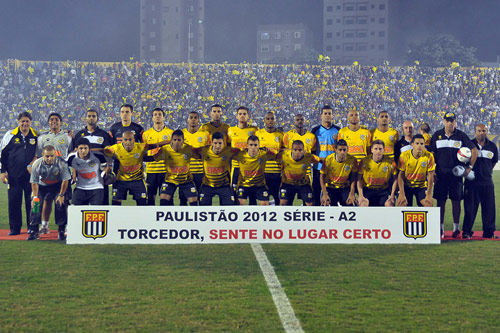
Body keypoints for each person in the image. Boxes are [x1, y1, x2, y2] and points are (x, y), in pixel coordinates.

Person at [430, 112, 478, 238]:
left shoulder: (461, 135)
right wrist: (432, 170)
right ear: (444, 121)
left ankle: (456, 229)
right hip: (440, 175)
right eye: (448, 120)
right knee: (441, 202)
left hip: (456, 175)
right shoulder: (437, 135)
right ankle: (440, 229)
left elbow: (474, 150)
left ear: (455, 122)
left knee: (456, 202)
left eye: (452, 120)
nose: (450, 123)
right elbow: (431, 155)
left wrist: (470, 167)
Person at [1, 112, 38, 235]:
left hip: (31, 177)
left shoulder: (36, 136)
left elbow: (39, 154)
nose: (25, 123)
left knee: (31, 202)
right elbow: (3, 155)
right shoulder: (10, 135)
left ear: (30, 123)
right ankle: (15, 229)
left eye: (27, 121)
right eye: (22, 121)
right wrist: (2, 172)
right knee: (14, 202)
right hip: (13, 176)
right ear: (18, 122)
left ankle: (31, 226)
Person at [37, 112, 73, 235]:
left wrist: (73, 171)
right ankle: (45, 226)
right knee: (47, 200)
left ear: (60, 122)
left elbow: (72, 155)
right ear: (48, 122)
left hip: (62, 175)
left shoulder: (68, 138)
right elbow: (37, 156)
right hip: (47, 176)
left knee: (64, 201)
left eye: (56, 119)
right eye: (51, 119)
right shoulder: (42, 138)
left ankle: (66, 227)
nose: (54, 121)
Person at [28, 145, 72, 241]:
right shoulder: (36, 164)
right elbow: (34, 182)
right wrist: (35, 197)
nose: (49, 158)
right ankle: (34, 231)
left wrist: (61, 195)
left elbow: (65, 181)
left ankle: (61, 231)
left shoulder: (62, 163)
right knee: (35, 205)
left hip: (57, 186)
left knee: (60, 204)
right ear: (43, 155)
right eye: (47, 156)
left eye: (52, 156)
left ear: (55, 154)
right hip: (42, 186)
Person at [462, 124, 498, 239]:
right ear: (475, 131)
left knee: (489, 208)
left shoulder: (492, 146)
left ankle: (489, 233)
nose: (481, 133)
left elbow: (493, 162)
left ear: (487, 131)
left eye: (484, 130)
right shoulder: (468, 145)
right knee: (469, 209)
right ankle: (467, 232)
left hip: (487, 182)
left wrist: (486, 172)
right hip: (472, 182)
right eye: (479, 131)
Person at [104, 131, 159, 206]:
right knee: (115, 203)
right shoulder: (115, 148)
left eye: (130, 139)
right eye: (125, 140)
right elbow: (105, 152)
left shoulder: (141, 147)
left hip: (137, 180)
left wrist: (168, 144)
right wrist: (109, 165)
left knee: (142, 203)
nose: (128, 142)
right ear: (122, 140)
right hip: (121, 180)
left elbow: (154, 146)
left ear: (134, 140)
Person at [71, 109, 113, 204]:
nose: (91, 118)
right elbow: (75, 155)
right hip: (83, 172)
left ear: (97, 119)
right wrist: (74, 173)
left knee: (102, 204)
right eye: (89, 116)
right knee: (81, 204)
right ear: (85, 118)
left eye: (93, 116)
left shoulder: (103, 134)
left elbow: (108, 152)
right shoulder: (79, 135)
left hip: (100, 172)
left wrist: (109, 166)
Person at [155, 130, 198, 206]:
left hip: (186, 180)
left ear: (183, 141)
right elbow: (153, 158)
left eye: (179, 140)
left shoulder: (189, 149)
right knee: (163, 202)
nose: (176, 142)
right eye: (174, 140)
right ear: (171, 140)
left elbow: (201, 156)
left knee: (194, 203)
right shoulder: (165, 149)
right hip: (170, 180)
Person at [198, 132, 240, 206]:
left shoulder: (229, 151)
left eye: (220, 143)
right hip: (208, 185)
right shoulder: (204, 150)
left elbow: (243, 153)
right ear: (211, 143)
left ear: (224, 143)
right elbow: (191, 151)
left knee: (230, 207)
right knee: (203, 208)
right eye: (215, 143)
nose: (217, 146)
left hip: (224, 185)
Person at [227, 106, 259, 201]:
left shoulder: (254, 130)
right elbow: (228, 148)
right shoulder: (231, 130)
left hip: (250, 167)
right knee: (234, 194)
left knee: (252, 195)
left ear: (248, 116)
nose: (242, 116)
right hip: (236, 166)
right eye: (240, 114)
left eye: (244, 114)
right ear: (236, 116)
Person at [142, 108, 173, 205]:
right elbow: (143, 152)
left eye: (160, 114)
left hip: (166, 171)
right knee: (150, 198)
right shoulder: (146, 134)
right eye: (155, 114)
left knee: (167, 198)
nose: (157, 116)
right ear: (152, 118)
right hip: (151, 171)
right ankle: (151, 219)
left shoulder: (170, 133)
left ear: (164, 117)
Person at [312, 105, 340, 206]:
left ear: (333, 115)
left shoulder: (338, 130)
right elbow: (312, 150)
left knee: (332, 196)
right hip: (318, 168)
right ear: (321, 116)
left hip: (333, 168)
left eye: (329, 113)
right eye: (325, 113)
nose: (327, 115)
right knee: (316, 195)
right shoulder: (315, 131)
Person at [67, 138, 110, 205]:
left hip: (97, 188)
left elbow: (106, 167)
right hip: (80, 188)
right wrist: (72, 175)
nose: (83, 151)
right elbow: (64, 167)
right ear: (77, 149)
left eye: (85, 148)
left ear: (89, 148)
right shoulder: (71, 157)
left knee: (96, 212)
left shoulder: (99, 156)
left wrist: (102, 174)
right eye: (81, 148)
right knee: (76, 210)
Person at [396, 134, 435, 207]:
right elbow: (400, 175)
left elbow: (430, 176)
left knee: (428, 204)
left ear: (424, 145)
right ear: (412, 144)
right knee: (402, 203)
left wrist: (429, 195)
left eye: (421, 144)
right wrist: (401, 193)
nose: (419, 146)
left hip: (421, 186)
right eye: (417, 143)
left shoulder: (429, 156)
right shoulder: (404, 156)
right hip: (407, 185)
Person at [279, 140, 321, 206]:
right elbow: (271, 156)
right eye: (295, 150)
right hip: (288, 184)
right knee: (283, 203)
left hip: (303, 184)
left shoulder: (308, 156)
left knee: (310, 204)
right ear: (291, 150)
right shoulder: (284, 155)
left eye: (300, 150)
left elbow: (321, 160)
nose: (297, 152)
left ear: (303, 150)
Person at [357, 140, 397, 207]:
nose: (378, 151)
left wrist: (392, 195)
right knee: (363, 204)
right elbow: (359, 179)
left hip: (383, 190)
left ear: (384, 150)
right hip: (368, 190)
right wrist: (360, 195)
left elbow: (396, 179)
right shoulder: (364, 161)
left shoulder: (390, 162)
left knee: (389, 204)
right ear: (371, 150)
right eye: (376, 149)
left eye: (380, 149)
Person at [181, 111, 210, 204]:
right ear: (187, 120)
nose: (193, 120)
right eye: (191, 117)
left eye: (195, 118)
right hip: (185, 173)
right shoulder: (181, 134)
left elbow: (208, 153)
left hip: (200, 172)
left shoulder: (205, 134)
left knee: (202, 200)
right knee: (183, 200)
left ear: (198, 120)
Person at [233, 136, 272, 206]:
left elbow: (278, 155)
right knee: (240, 204)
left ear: (259, 146)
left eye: (255, 145)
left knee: (265, 205)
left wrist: (270, 151)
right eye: (251, 145)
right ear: (247, 146)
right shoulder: (240, 155)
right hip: (244, 185)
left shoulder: (264, 154)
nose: (253, 147)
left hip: (259, 185)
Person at [255, 112, 283, 204]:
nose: (270, 121)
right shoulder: (258, 134)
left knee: (278, 199)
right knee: (263, 200)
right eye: (268, 119)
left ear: (275, 120)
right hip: (262, 173)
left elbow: (284, 153)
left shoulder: (281, 135)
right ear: (264, 121)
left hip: (277, 172)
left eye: (272, 119)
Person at [320, 139, 357, 206]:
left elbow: (353, 178)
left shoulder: (352, 160)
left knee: (351, 203)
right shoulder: (328, 159)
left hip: (344, 188)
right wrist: (325, 194)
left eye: (344, 150)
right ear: (336, 150)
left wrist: (352, 193)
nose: (342, 152)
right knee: (325, 203)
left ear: (347, 150)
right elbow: (322, 176)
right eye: (340, 150)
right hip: (330, 187)